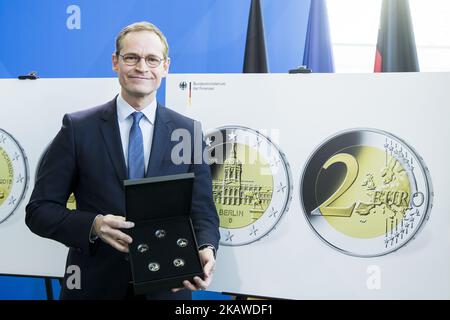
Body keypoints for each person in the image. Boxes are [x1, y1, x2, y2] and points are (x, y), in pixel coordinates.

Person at [25, 21, 220, 300]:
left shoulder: (188, 132)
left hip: (167, 287)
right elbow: (39, 210)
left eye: (152, 59)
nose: (142, 67)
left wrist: (206, 247)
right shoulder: (78, 129)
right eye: (132, 57)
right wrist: (94, 225)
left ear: (165, 67)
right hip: (94, 287)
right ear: (116, 62)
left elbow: (203, 212)